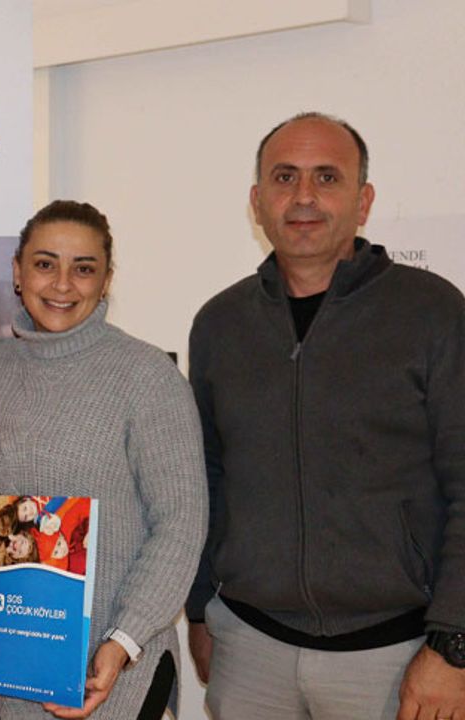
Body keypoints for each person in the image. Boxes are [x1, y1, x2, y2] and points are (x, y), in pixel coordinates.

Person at [185, 112, 465, 720]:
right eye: (285, 177)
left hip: (399, 658)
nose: (304, 196)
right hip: (249, 651)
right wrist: (200, 610)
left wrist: (454, 644)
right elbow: (205, 479)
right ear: (257, 202)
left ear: (363, 202)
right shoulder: (219, 324)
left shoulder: (433, 311)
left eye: (327, 177)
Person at [0, 200, 207, 720]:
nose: (62, 284)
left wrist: (123, 639)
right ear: (17, 272)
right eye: (45, 264)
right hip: (13, 666)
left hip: (115, 674)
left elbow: (181, 524)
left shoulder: (147, 375)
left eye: (83, 268)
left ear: (106, 280)